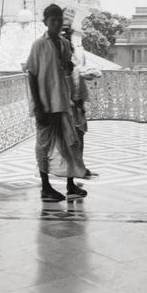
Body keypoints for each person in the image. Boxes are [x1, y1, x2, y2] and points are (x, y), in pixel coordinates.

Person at [26, 4, 88, 201]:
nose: (56, 24)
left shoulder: (64, 44)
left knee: (70, 144)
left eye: (59, 21)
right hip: (45, 104)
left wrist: (68, 65)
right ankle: (45, 187)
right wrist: (37, 106)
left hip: (62, 102)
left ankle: (70, 185)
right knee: (43, 146)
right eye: (52, 21)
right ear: (45, 22)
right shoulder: (38, 45)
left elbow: (68, 72)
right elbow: (32, 75)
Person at [61, 17, 100, 178]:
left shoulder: (74, 52)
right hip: (66, 103)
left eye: (68, 31)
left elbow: (77, 72)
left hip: (77, 102)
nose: (66, 35)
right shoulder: (58, 52)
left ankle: (80, 168)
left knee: (79, 135)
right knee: (70, 139)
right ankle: (73, 171)